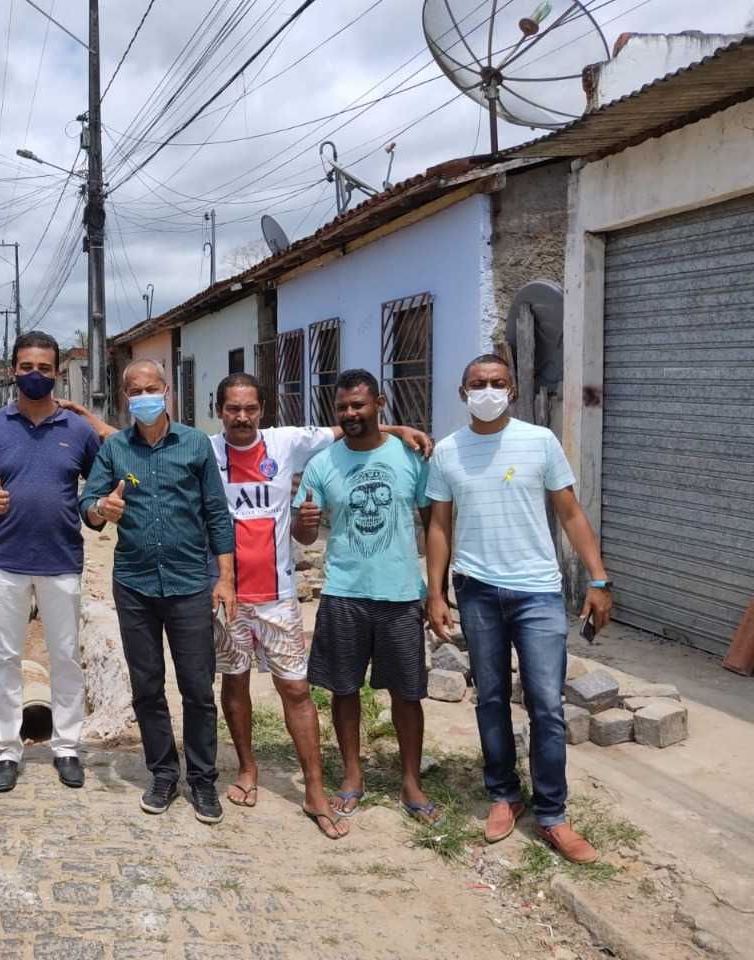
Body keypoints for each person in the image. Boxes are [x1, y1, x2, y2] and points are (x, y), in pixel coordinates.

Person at [63, 376, 431, 838]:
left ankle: (308, 788)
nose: (241, 417)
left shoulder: (278, 443)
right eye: (232, 409)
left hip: (271, 595)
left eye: (250, 408)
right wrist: (101, 504)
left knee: (287, 690)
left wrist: (395, 429)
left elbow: (349, 427)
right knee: (224, 687)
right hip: (218, 596)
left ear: (262, 409)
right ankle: (239, 771)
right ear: (218, 409)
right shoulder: (198, 448)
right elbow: (117, 455)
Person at [426, 354, 613, 864]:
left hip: (537, 591)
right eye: (478, 384)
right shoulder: (447, 451)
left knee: (547, 706)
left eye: (497, 383)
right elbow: (439, 526)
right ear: (462, 392)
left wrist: (598, 578)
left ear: (512, 390)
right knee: (489, 698)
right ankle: (504, 794)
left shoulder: (540, 441)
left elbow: (571, 513)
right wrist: (436, 593)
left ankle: (552, 814)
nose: (488, 390)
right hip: (477, 589)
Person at [79, 359, 236, 824]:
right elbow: (88, 503)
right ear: (125, 396)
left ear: (167, 391)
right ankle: (163, 772)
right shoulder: (114, 450)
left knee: (197, 688)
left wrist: (224, 577)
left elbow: (216, 514)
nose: (144, 396)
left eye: (152, 388)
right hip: (134, 584)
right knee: (146, 687)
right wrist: (101, 509)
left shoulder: (194, 445)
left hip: (189, 584)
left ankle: (203, 781)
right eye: (135, 390)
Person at [292, 369, 438, 826]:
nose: (351, 414)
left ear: (379, 402)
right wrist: (308, 522)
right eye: (342, 408)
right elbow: (302, 530)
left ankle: (411, 782)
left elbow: (434, 523)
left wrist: (437, 590)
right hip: (343, 592)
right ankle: (353, 778)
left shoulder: (410, 455)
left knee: (407, 693)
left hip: (399, 594)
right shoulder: (322, 464)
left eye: (359, 404)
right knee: (343, 689)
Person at [0, 331, 101, 793]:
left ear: (57, 372)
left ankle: (66, 746)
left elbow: (100, 488)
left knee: (65, 656)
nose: (36, 375)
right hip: (6, 562)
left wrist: (100, 507)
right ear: (12, 371)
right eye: (27, 367)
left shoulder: (78, 431)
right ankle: (6, 748)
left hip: (62, 560)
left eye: (45, 367)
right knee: (3, 657)